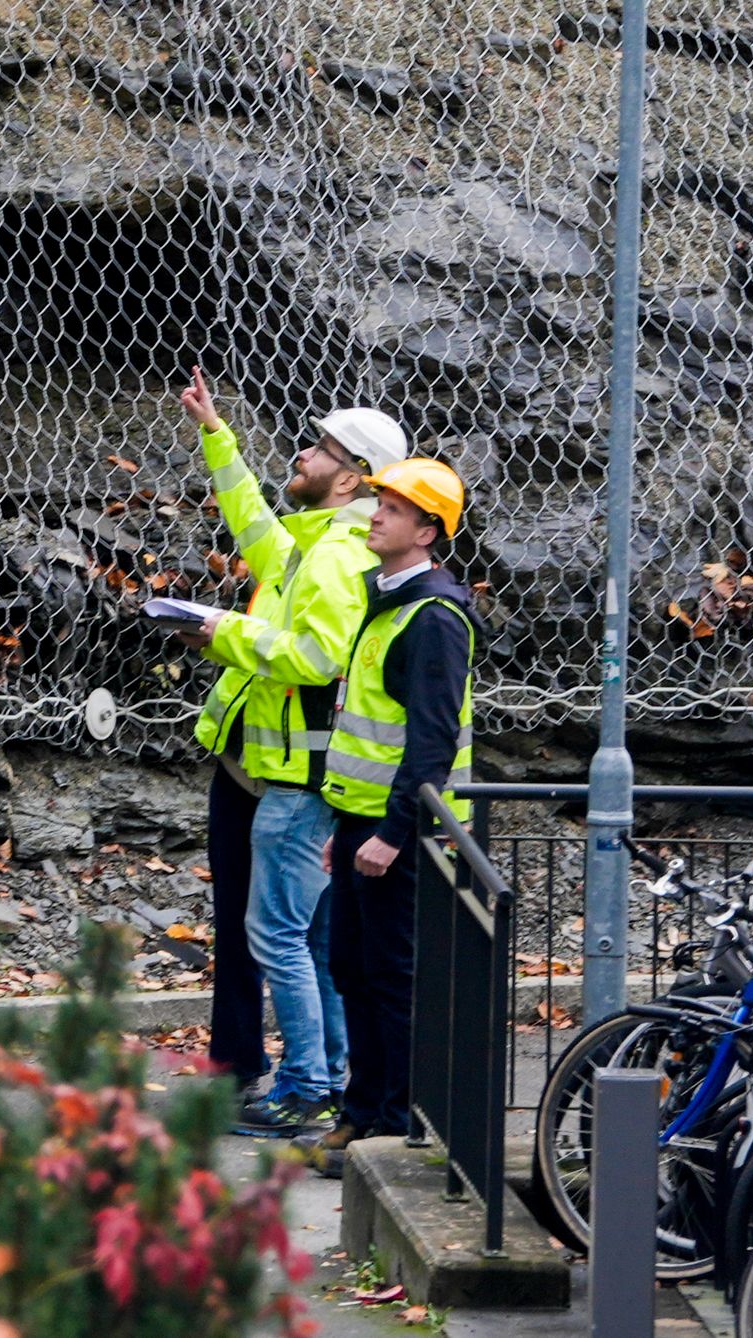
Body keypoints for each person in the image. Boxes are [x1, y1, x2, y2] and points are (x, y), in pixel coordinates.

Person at [175, 366, 407, 1136]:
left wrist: (220, 632)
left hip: (296, 778)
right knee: (303, 935)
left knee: (279, 933)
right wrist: (218, 437)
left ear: (353, 480)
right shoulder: (316, 546)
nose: (302, 456)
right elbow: (254, 529)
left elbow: (314, 656)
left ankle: (307, 1085)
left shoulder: (338, 558)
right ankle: (327, 1079)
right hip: (269, 770)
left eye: (319, 449)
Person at [297, 458, 477, 1170]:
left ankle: (394, 1125)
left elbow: (430, 743)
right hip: (360, 823)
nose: (376, 515)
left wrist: (394, 834)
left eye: (394, 509)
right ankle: (363, 1110)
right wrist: (348, 830)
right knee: (354, 969)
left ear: (427, 531)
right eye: (379, 504)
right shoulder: (390, 600)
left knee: (394, 979)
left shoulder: (433, 618)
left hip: (403, 833)